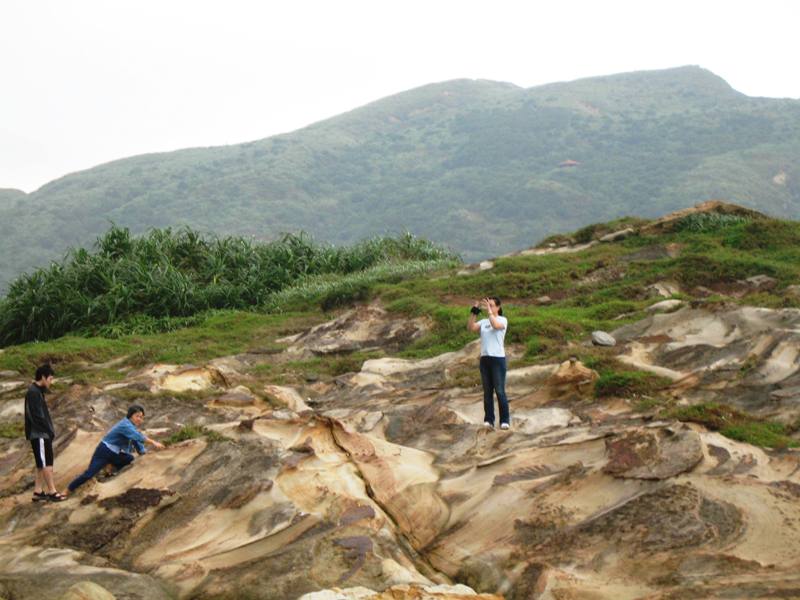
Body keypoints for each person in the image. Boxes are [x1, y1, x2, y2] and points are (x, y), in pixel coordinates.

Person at [68, 404, 165, 492]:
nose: (139, 419)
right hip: (104, 451)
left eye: (141, 417)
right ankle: (67, 490)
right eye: (137, 416)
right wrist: (153, 442)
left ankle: (110, 467)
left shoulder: (131, 426)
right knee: (89, 474)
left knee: (129, 458)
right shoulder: (125, 425)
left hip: (115, 453)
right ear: (130, 416)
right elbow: (138, 437)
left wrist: (142, 452)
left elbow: (136, 439)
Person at [25, 364, 66, 501]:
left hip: (40, 433)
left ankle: (37, 491)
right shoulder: (34, 392)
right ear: (43, 377)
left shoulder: (36, 391)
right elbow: (37, 416)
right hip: (40, 434)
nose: (51, 382)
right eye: (50, 379)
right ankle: (52, 492)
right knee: (47, 463)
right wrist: (48, 431)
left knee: (40, 464)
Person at [467, 297, 510, 430]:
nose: (489, 308)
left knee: (500, 391)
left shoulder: (502, 320)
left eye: (491, 305)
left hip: (498, 359)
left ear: (498, 307)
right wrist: (474, 311)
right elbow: (470, 328)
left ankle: (504, 420)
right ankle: (489, 420)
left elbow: (496, 326)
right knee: (487, 392)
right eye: (487, 305)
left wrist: (490, 313)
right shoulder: (484, 322)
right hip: (485, 359)